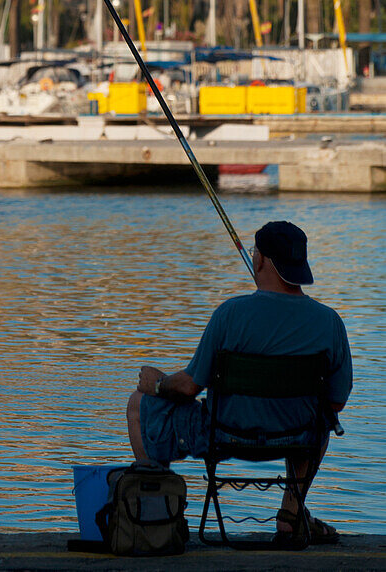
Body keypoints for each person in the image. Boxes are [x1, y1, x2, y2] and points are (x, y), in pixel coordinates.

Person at [126, 220, 352, 544]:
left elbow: (191, 386)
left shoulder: (229, 314)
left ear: (259, 260)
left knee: (138, 405)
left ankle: (154, 514)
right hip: (297, 436)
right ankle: (291, 511)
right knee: (320, 419)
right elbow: (336, 402)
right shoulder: (330, 322)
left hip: (224, 434)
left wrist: (158, 384)